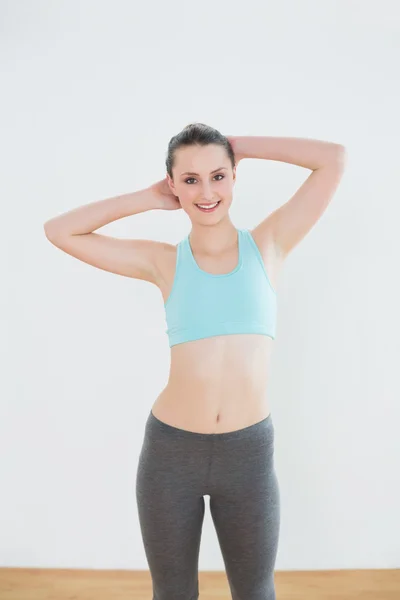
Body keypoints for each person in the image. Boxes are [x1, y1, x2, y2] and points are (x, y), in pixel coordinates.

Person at [44, 123, 346, 600]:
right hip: (171, 454)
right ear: (173, 185)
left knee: (255, 592)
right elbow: (59, 231)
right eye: (190, 180)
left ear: (232, 178)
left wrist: (239, 146)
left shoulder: (268, 246)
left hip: (247, 455)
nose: (206, 191)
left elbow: (333, 158)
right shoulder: (163, 262)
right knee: (173, 594)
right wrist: (147, 198)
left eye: (218, 176)